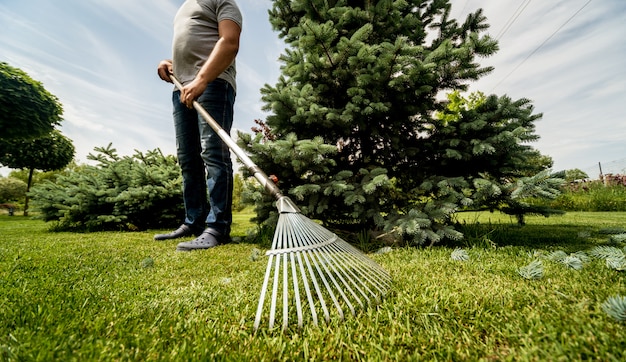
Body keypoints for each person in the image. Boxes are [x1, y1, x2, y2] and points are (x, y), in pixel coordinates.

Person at [155, 0, 242, 251]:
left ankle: (217, 227)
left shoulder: (221, 1)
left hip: (213, 83)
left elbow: (229, 41)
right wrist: (169, 63)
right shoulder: (184, 7)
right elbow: (188, 45)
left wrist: (202, 79)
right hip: (181, 87)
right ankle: (193, 222)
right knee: (188, 159)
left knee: (214, 154)